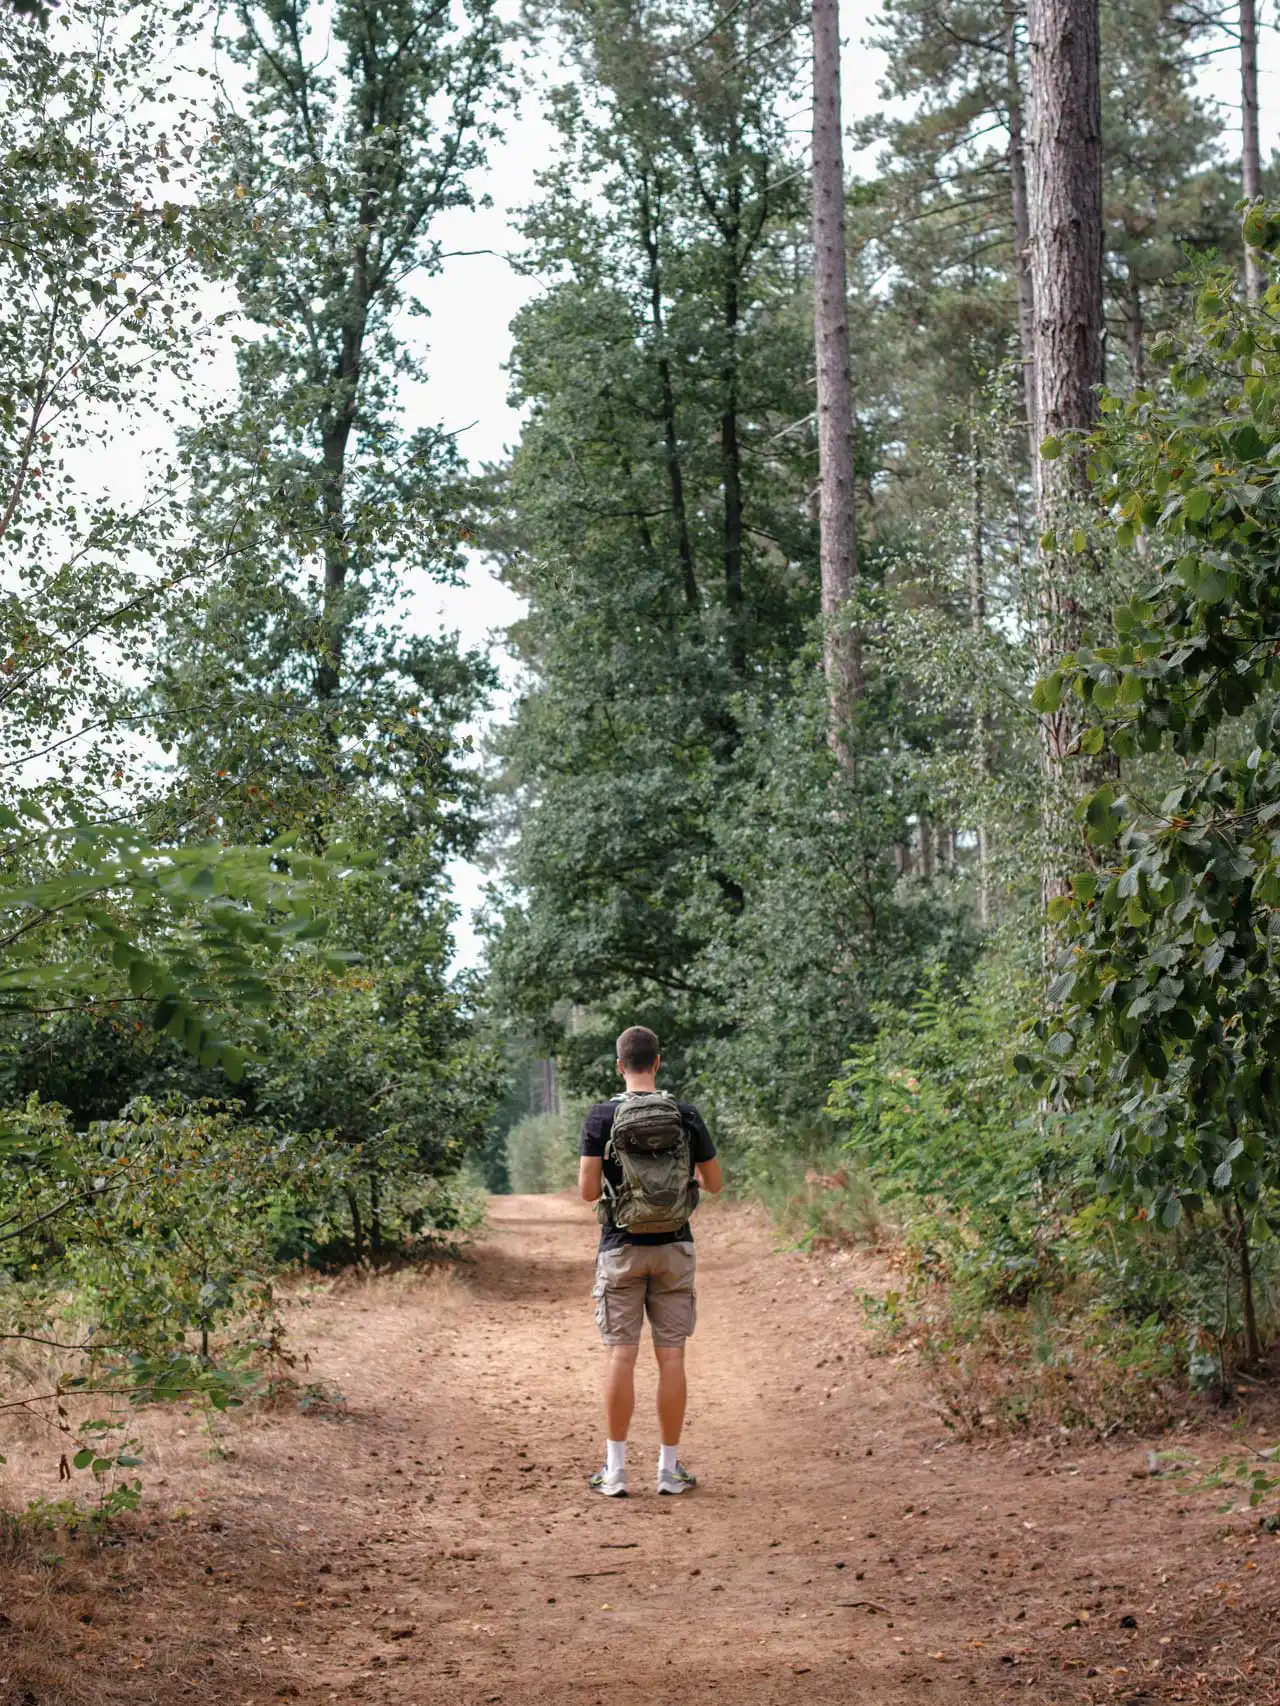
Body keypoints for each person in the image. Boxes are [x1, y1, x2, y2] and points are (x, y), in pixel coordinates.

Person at [578, 1024, 722, 1498]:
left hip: (620, 1247)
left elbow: (586, 1193)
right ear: (658, 1062)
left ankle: (615, 1471)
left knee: (622, 1354)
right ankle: (669, 1469)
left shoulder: (601, 1116)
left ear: (619, 1065)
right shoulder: (684, 1113)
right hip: (675, 1246)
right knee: (672, 1356)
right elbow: (715, 1182)